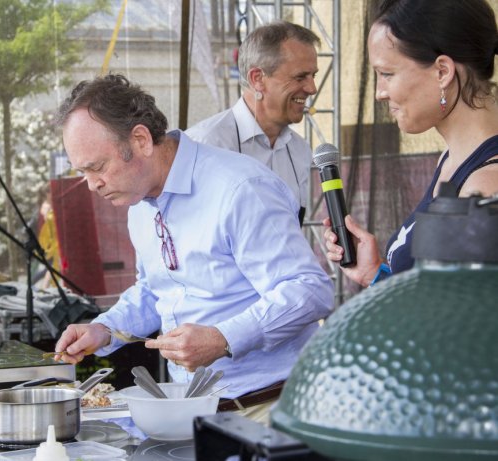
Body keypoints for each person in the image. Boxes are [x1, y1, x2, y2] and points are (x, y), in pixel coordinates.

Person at [53, 74, 334, 424]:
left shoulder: (239, 188)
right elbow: (157, 290)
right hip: (195, 411)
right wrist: (105, 329)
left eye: (97, 167)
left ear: (140, 140)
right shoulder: (139, 203)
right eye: (83, 172)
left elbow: (309, 290)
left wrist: (223, 338)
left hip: (272, 407)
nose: (92, 184)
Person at [324, 0, 498, 286]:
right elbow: (435, 302)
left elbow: (457, 327)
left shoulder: (484, 188)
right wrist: (375, 274)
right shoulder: (453, 159)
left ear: (443, 71)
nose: (380, 92)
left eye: (387, 74)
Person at [186, 21, 320, 225]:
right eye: (300, 77)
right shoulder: (204, 144)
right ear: (257, 79)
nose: (312, 88)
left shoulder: (300, 150)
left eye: (313, 76)